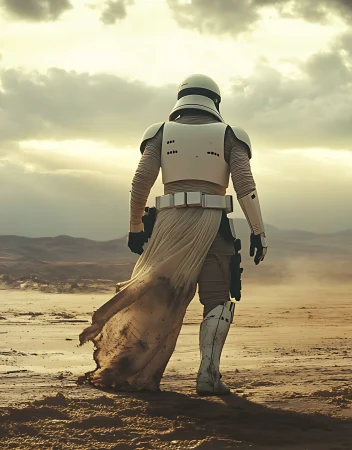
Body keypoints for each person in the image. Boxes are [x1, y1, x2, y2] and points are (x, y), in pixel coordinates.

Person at [79, 74, 268, 396]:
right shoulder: (230, 134)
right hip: (213, 226)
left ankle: (125, 363)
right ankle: (208, 374)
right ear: (216, 101)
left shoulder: (159, 133)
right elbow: (245, 187)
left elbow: (140, 183)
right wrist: (258, 232)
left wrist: (135, 227)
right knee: (218, 300)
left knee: (154, 296)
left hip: (167, 228)